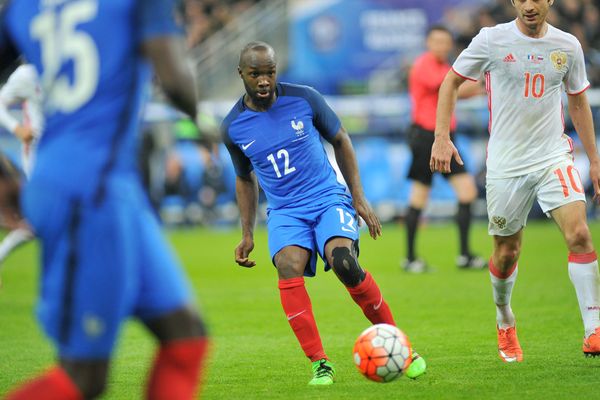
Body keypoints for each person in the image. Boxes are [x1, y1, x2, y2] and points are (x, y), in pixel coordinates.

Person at [0, 0, 209, 398]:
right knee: (84, 376)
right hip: (87, 191)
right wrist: (202, 119)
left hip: (107, 185)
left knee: (185, 337)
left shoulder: (22, 6)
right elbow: (179, 84)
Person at [221, 41, 426, 385]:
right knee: (287, 264)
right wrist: (247, 233)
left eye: (269, 72)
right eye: (255, 74)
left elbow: (341, 139)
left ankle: (401, 347)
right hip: (286, 210)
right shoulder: (233, 127)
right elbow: (244, 179)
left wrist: (358, 198)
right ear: (241, 73)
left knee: (345, 262)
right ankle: (320, 363)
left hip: (326, 197)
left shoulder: (304, 98)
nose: (263, 81)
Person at [431, 0, 600, 362]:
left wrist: (595, 159)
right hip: (506, 164)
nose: (529, 5)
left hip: (552, 155)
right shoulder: (492, 40)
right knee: (507, 254)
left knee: (580, 234)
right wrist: (441, 136)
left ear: (550, 1)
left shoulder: (567, 45)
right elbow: (451, 82)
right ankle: (504, 318)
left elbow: (579, 103)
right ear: (512, 2)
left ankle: (593, 330)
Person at [404, 25, 486, 273]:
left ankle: (464, 255)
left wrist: (476, 86)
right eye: (436, 41)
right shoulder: (424, 65)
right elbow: (451, 88)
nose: (441, 46)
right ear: (428, 42)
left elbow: (460, 92)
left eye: (445, 41)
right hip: (426, 137)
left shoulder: (444, 67)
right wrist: (482, 80)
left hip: (446, 138)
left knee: (467, 192)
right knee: (420, 195)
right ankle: (410, 259)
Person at [0, 63, 40, 280]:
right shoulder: (27, 74)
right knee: (43, 221)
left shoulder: (66, 65)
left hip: (68, 153)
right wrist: (17, 129)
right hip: (39, 157)